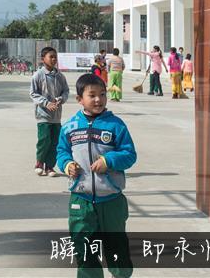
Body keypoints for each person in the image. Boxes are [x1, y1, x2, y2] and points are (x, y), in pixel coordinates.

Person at [56, 73, 137, 278]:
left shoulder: (116, 125)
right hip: (81, 201)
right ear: (79, 99)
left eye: (102, 94)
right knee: (85, 252)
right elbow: (61, 152)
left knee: (117, 250)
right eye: (92, 95)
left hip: (112, 201)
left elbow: (129, 154)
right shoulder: (70, 126)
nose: (98, 99)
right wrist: (66, 165)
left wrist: (108, 161)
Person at [30, 46, 69, 177]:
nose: (54, 59)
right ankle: (39, 163)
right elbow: (33, 94)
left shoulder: (60, 76)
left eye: (55, 57)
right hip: (43, 115)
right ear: (43, 59)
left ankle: (50, 166)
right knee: (44, 139)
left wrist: (61, 99)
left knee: (55, 141)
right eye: (51, 57)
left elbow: (66, 91)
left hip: (56, 116)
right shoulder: (38, 75)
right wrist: (46, 103)